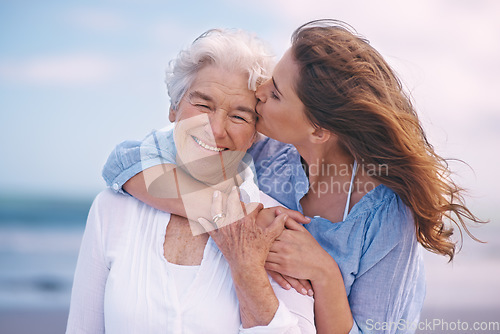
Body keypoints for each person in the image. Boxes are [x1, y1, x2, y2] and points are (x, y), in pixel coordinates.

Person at [102, 20, 485, 334]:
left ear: (318, 130)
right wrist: (225, 217)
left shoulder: (387, 216)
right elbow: (126, 160)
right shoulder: (268, 152)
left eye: (277, 93)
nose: (260, 91)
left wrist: (324, 273)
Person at [66, 28, 316, 333]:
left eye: (239, 116)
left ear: (255, 135)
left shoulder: (271, 224)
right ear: (173, 108)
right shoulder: (112, 208)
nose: (214, 128)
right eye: (202, 104)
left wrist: (247, 268)